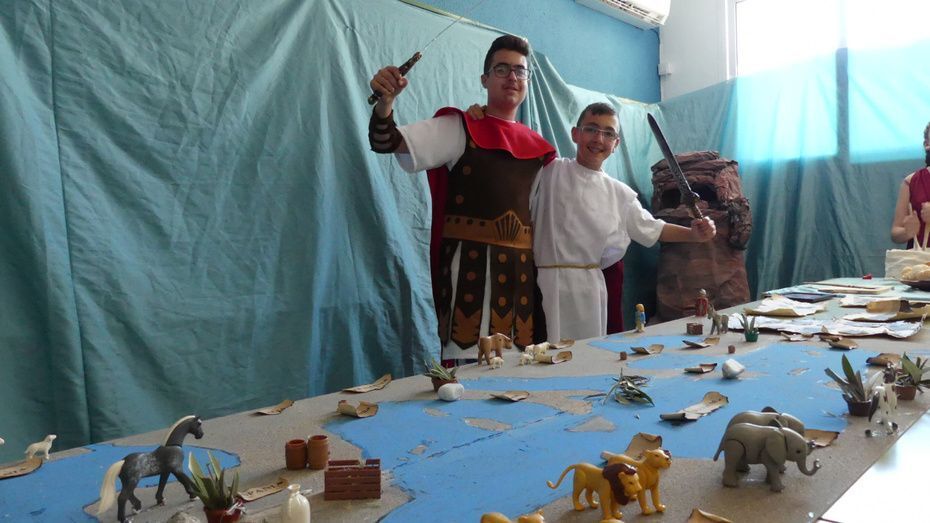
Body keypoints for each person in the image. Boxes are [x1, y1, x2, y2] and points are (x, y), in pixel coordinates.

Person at [368, 35, 556, 359]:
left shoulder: (542, 152)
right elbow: (386, 141)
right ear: (484, 79)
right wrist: (386, 103)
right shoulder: (459, 127)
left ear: (527, 80)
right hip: (467, 277)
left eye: (520, 70)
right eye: (501, 69)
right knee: (468, 373)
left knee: (521, 371)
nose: (512, 77)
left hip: (522, 283)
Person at [531, 103, 716, 342]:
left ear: (616, 143)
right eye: (591, 129)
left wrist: (693, 235)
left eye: (608, 133)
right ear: (575, 134)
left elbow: (653, 228)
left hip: (589, 291)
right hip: (543, 284)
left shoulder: (619, 194)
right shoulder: (549, 172)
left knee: (588, 351)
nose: (599, 139)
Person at [890, 122, 930, 246]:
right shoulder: (911, 182)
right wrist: (907, 232)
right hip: (918, 258)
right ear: (927, 144)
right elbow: (895, 233)